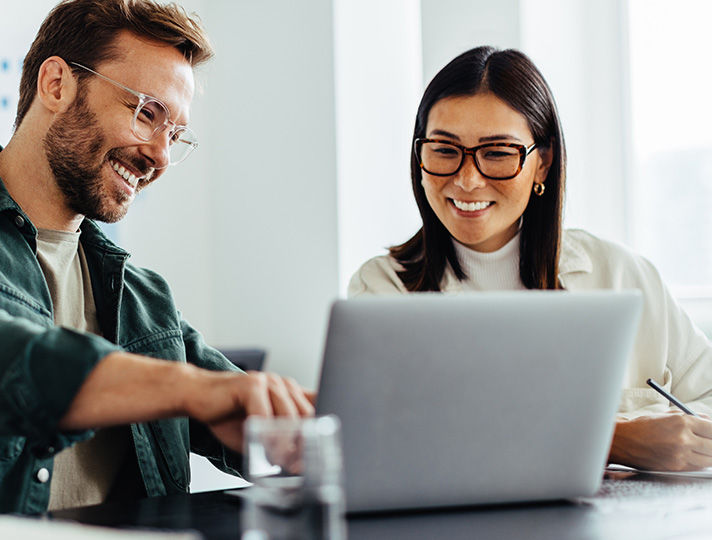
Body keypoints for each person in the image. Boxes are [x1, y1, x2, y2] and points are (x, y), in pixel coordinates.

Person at [0, 0, 313, 515]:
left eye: (174, 134)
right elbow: (18, 361)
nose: (161, 157)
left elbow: (235, 401)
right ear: (57, 85)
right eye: (147, 113)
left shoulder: (144, 297)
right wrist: (189, 389)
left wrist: (314, 420)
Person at [348, 45, 712, 473]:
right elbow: (392, 442)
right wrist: (611, 440)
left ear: (542, 164)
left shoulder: (622, 274)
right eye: (444, 150)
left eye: (497, 153)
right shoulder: (381, 289)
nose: (467, 180)